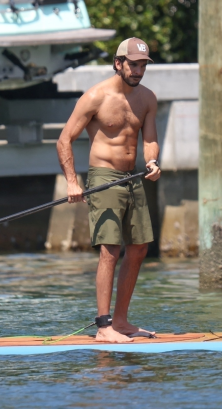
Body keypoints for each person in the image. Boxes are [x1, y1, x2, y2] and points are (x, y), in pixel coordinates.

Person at [56, 37, 161, 343]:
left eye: (142, 65)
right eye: (133, 64)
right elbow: (64, 139)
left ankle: (122, 321)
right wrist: (72, 181)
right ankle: (104, 326)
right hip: (103, 177)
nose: (138, 70)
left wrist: (152, 160)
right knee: (110, 249)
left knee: (140, 247)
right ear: (118, 63)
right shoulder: (95, 97)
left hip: (132, 177)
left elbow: (150, 139)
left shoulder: (148, 99)